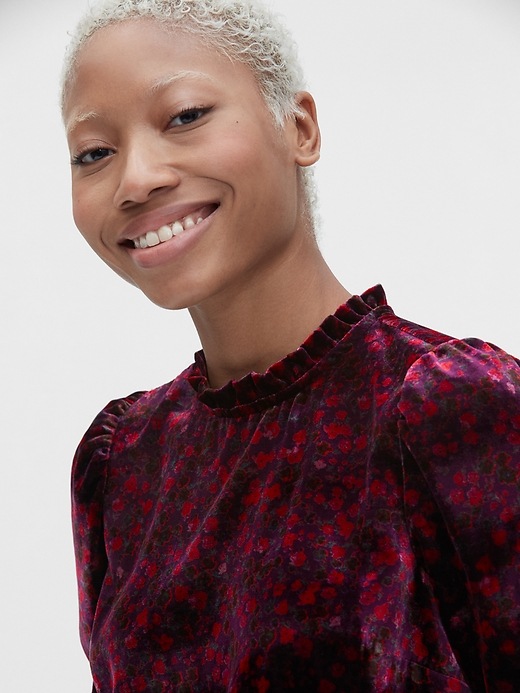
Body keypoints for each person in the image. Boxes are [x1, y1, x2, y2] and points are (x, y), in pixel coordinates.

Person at [62, 0, 520, 690]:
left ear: (299, 129)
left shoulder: (451, 407)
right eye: (95, 153)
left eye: (185, 116)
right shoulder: (121, 460)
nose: (136, 179)